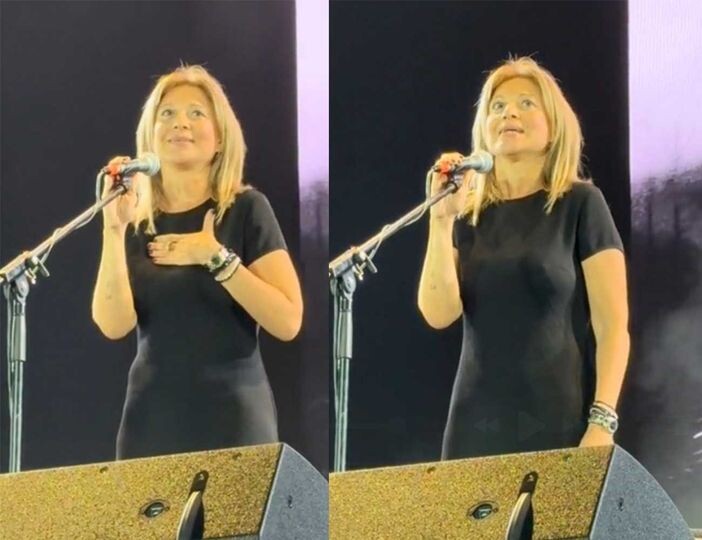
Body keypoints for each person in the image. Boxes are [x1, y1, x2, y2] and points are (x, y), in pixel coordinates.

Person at [418, 57, 629, 459]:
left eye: (526, 103)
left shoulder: (580, 204)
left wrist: (602, 422)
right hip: (474, 425)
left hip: (560, 421)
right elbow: (438, 313)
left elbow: (613, 326)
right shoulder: (468, 216)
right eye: (497, 106)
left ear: (554, 126)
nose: (508, 113)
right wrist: (441, 220)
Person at [91, 65, 303, 460]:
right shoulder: (136, 223)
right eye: (167, 114)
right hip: (152, 421)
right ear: (150, 136)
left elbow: (288, 320)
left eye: (196, 113)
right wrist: (113, 228)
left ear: (220, 138)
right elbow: (112, 324)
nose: (180, 123)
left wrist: (215, 257)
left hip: (233, 418)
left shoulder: (246, 209)